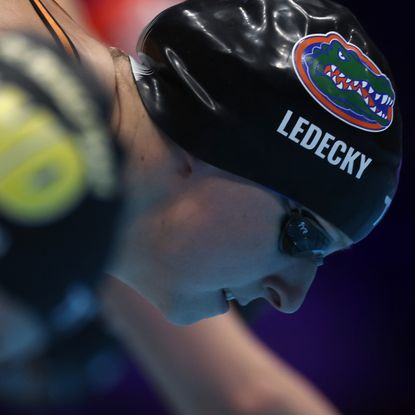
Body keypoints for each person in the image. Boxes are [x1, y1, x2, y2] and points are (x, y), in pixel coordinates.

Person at [0, 0, 402, 413]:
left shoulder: (84, 161)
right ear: (219, 141)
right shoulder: (34, 138)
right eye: (303, 236)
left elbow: (247, 400)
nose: (290, 298)